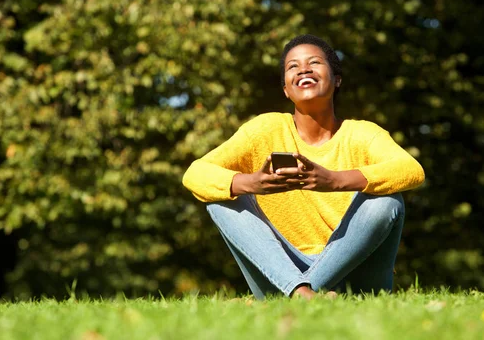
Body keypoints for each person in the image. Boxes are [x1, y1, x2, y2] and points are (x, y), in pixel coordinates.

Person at [182, 34, 425, 300]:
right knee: (221, 200)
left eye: (314, 62)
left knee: (386, 203)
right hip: (281, 270)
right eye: (293, 66)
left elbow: (410, 170)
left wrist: (335, 180)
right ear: (286, 89)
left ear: (337, 79)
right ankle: (301, 293)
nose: (304, 69)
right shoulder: (264, 130)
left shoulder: (363, 134)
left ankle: (298, 294)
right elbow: (195, 173)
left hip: (355, 279)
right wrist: (251, 183)